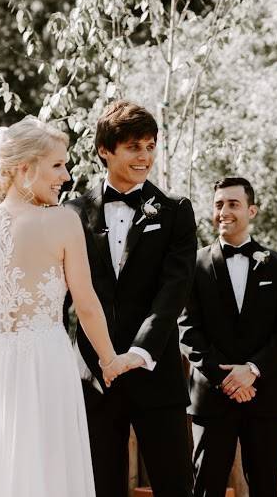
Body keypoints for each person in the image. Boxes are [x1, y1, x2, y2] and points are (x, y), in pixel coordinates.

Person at [0, 116, 134, 497]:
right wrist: (109, 359)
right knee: (47, 468)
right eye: (57, 165)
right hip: (46, 362)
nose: (66, 176)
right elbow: (86, 305)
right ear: (23, 168)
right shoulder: (64, 221)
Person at [64, 100, 197, 497]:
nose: (145, 157)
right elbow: (63, 298)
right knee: (100, 486)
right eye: (134, 147)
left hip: (156, 374)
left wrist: (137, 354)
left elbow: (173, 293)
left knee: (175, 485)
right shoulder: (72, 211)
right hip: (94, 378)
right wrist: (100, 360)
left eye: (150, 146)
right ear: (105, 149)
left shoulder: (176, 211)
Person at [179, 177, 277, 497]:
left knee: (265, 487)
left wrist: (252, 370)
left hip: (265, 395)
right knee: (206, 486)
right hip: (212, 397)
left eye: (233, 204)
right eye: (218, 205)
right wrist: (225, 378)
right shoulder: (195, 264)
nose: (224, 212)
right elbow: (187, 330)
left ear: (252, 210)